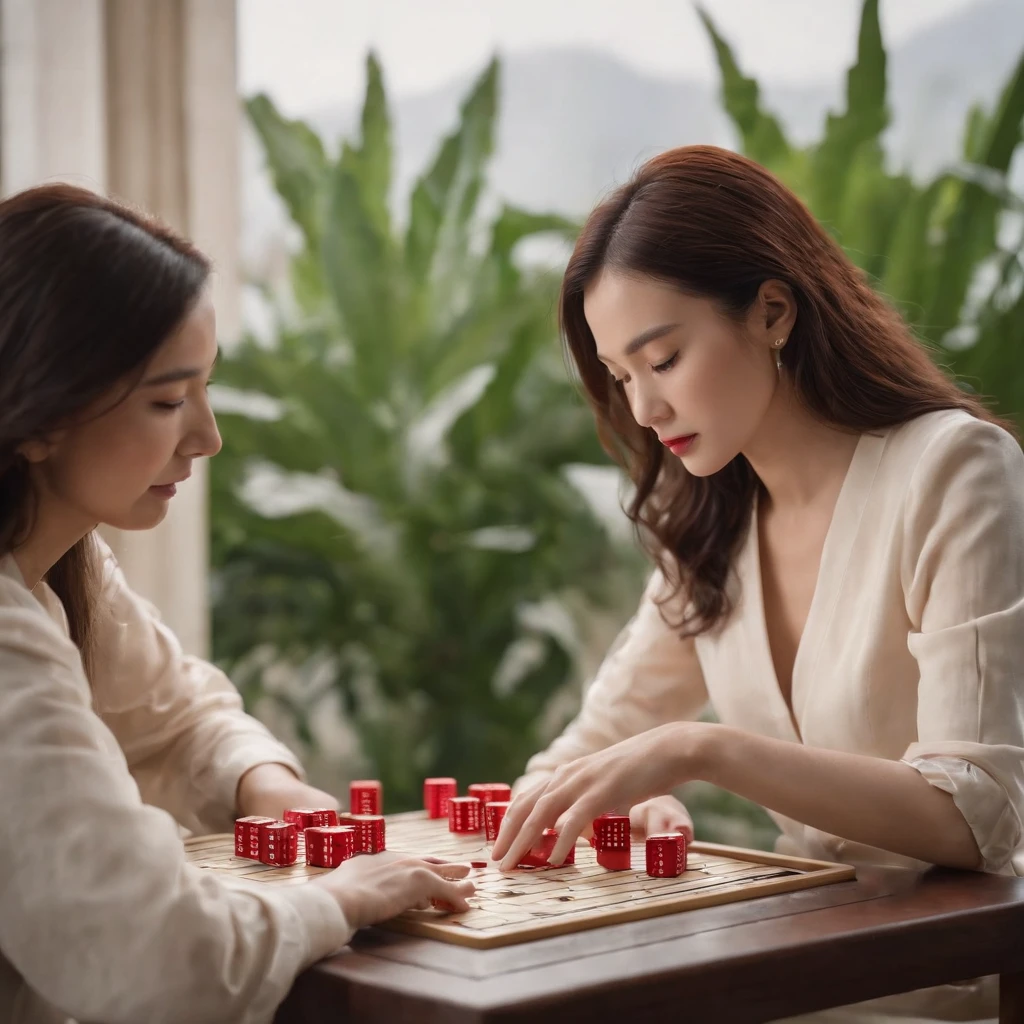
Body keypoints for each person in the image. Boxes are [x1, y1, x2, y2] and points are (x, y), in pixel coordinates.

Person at [491, 146, 1024, 1024]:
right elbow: (568, 766)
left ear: (772, 310)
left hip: (934, 987)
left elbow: (979, 814)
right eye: (621, 378)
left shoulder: (952, 469)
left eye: (662, 360)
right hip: (786, 974)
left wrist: (700, 752)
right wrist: (641, 799)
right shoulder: (709, 521)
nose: (643, 412)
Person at [0, 184, 474, 1024]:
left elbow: (181, 715)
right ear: (36, 416)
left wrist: (263, 781)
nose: (207, 437)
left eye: (205, 390)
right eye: (168, 400)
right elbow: (149, 956)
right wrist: (341, 899)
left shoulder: (64, 564)